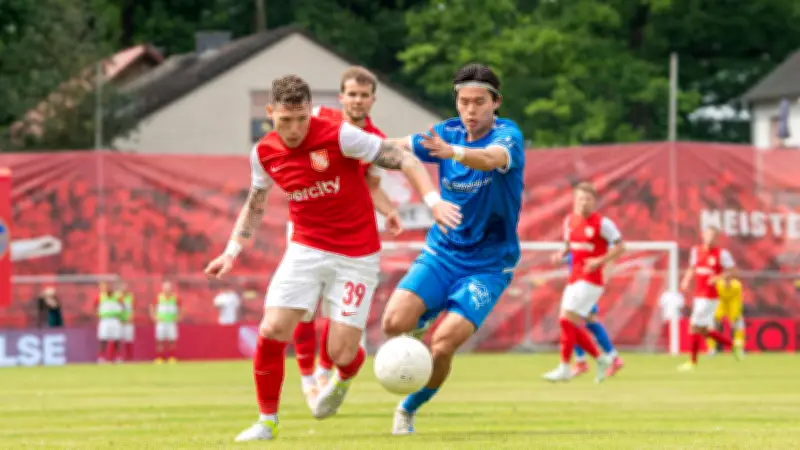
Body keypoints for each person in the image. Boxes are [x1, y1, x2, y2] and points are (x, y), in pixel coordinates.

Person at [203, 74, 460, 442]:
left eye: (301, 119)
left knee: (341, 352)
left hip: (356, 255)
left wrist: (433, 202)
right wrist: (231, 252)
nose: (294, 129)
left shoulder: (341, 135)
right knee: (272, 329)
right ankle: (266, 421)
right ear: (270, 112)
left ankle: (343, 377)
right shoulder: (263, 153)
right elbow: (255, 204)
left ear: (311, 110)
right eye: (285, 120)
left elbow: (404, 159)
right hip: (305, 249)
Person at [377, 63, 524, 435]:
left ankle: (408, 409)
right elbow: (398, 146)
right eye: (464, 102)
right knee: (393, 324)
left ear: (496, 102)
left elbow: (489, 159)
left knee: (442, 346)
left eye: (479, 102)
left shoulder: (508, 135)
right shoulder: (447, 132)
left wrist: (453, 152)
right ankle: (422, 325)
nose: (470, 110)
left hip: (488, 266)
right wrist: (351, 142)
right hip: (443, 253)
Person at [291, 66, 404, 410]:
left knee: (335, 309)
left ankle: (324, 371)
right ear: (341, 97)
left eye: (363, 95)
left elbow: (373, 185)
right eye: (352, 94)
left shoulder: (376, 140)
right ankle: (307, 378)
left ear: (372, 99)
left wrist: (389, 211)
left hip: (345, 234)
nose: (357, 100)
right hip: (308, 226)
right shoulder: (317, 118)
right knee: (303, 308)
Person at [542, 182, 625, 382]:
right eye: (580, 198)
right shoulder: (569, 221)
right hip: (574, 277)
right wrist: (561, 253)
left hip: (591, 279)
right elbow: (569, 245)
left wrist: (599, 261)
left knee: (568, 320)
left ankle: (567, 366)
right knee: (568, 323)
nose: (583, 202)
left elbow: (621, 247)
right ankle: (601, 359)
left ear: (594, 201)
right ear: (574, 200)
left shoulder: (603, 224)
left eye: (587, 199)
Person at [679, 226, 737, 371]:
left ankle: (692, 362)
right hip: (698, 295)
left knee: (693, 326)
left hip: (710, 296)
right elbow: (692, 268)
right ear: (703, 235)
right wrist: (686, 280)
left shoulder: (722, 254)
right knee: (703, 329)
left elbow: (733, 271)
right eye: (708, 235)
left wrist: (718, 277)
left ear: (717, 238)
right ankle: (732, 346)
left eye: (713, 236)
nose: (710, 238)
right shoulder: (696, 251)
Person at [568, 255, 624, 378]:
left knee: (571, 322)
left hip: (584, 286)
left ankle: (581, 362)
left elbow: (613, 254)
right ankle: (614, 358)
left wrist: (603, 279)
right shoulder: (575, 247)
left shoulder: (590, 247)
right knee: (590, 322)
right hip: (579, 286)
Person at [706, 276, 745, 359]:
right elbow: (712, 293)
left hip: (733, 305)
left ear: (732, 280)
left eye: (729, 280)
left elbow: (738, 300)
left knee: (738, 326)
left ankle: (739, 349)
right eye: (725, 280)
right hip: (721, 304)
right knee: (711, 325)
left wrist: (736, 314)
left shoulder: (737, 286)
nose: (727, 282)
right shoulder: (718, 284)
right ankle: (711, 349)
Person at [150, 281, 179, 364]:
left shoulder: (175, 298)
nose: (167, 289)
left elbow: (181, 308)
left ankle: (171, 357)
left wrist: (178, 317)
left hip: (171, 322)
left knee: (172, 340)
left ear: (171, 289)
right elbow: (151, 307)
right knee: (160, 340)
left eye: (168, 288)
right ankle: (160, 358)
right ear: (162, 289)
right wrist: (154, 317)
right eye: (165, 288)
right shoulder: (158, 297)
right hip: (161, 322)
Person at [96, 281, 122, 363]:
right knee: (103, 339)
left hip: (114, 319)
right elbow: (95, 306)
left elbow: (122, 305)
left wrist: (120, 313)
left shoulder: (117, 296)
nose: (104, 289)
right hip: (105, 320)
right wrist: (98, 314)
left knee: (116, 338)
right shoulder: (100, 296)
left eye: (105, 287)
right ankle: (101, 357)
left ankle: (118, 357)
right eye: (102, 287)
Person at [117, 282, 135, 361]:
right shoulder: (117, 297)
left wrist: (131, 317)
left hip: (128, 322)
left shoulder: (130, 296)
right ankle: (118, 357)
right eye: (123, 287)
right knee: (118, 340)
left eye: (125, 287)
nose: (124, 289)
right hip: (119, 322)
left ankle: (129, 358)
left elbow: (133, 308)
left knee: (129, 340)